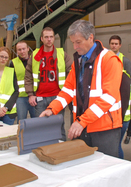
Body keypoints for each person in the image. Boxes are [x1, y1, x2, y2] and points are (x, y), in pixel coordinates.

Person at [39, 20, 123, 157]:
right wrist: (52, 109)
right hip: (82, 126)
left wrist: (82, 121)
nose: (75, 46)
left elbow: (109, 97)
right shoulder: (79, 60)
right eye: (72, 42)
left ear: (90, 37)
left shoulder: (109, 60)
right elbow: (67, 89)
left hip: (105, 128)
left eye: (78, 42)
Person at [24, 27, 72, 140]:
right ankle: (43, 151)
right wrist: (31, 94)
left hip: (57, 97)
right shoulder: (35, 55)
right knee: (40, 128)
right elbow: (28, 76)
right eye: (46, 37)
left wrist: (66, 93)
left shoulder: (61, 54)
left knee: (59, 127)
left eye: (51, 37)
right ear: (41, 38)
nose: (49, 39)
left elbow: (71, 73)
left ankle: (60, 152)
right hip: (39, 98)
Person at [109, 35, 131, 159]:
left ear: (120, 45)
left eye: (116, 44)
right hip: (109, 106)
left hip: (120, 107)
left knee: (116, 145)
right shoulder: (105, 59)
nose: (114, 46)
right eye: (112, 43)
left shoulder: (125, 62)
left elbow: (126, 88)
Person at [9, 41, 36, 123]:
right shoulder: (13, 63)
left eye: (23, 49)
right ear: (17, 51)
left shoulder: (35, 60)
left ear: (28, 49)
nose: (22, 51)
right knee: (21, 122)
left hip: (34, 95)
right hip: (20, 97)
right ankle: (21, 136)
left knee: (36, 120)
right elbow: (11, 81)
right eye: (19, 50)